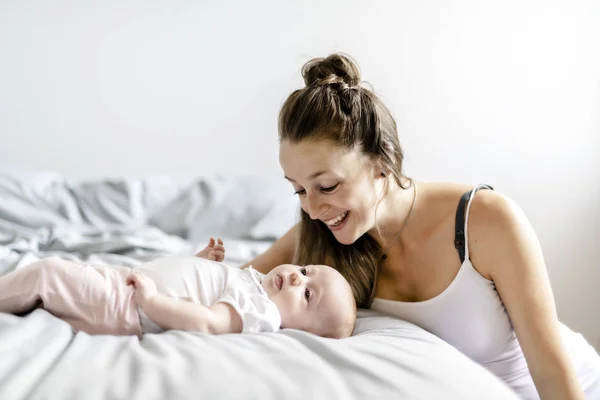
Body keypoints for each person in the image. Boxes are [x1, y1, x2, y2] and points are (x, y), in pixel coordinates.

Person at [224, 53, 600, 399]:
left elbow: (552, 373)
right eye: (299, 191)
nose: (313, 209)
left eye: (327, 186)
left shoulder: (485, 222)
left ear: (381, 163)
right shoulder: (317, 240)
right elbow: (232, 285)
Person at [0, 238, 356, 339]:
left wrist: (153, 301)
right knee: (61, 284)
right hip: (126, 284)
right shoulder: (255, 285)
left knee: (47, 273)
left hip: (128, 305)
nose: (298, 278)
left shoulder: (260, 311)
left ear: (299, 329)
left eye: (308, 294)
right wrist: (202, 262)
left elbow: (206, 320)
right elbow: (199, 288)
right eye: (307, 270)